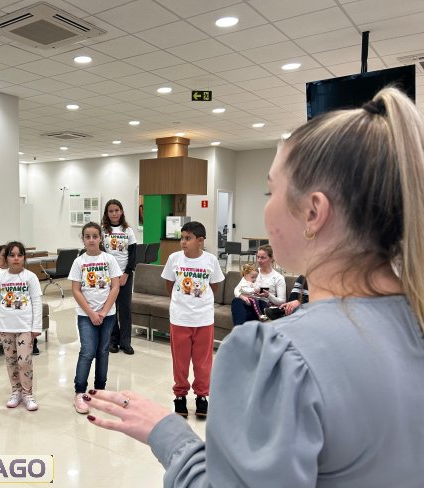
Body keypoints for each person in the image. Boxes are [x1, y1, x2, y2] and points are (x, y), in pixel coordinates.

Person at [84, 87, 424, 486]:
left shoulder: (278, 357)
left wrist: (168, 434)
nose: (266, 207)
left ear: (313, 212)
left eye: (270, 191)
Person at [161, 221, 224, 418]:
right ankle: (180, 396)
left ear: (200, 240)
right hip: (180, 318)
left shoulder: (211, 260)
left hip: (203, 319)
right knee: (180, 362)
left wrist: (199, 302)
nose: (183, 242)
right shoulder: (174, 258)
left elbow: (214, 287)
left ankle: (201, 396)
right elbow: (169, 284)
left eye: (188, 238)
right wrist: (181, 302)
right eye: (182, 238)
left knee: (203, 362)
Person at [69, 222, 121, 414]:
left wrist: (104, 312)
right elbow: (76, 290)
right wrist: (91, 313)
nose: (91, 240)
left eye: (95, 236)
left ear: (101, 238)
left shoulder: (109, 259)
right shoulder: (79, 262)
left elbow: (115, 286)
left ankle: (100, 390)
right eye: (87, 236)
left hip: (108, 315)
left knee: (103, 351)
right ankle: (79, 392)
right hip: (86, 315)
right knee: (87, 351)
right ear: (83, 239)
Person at [0, 241, 42, 411]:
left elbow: (37, 302)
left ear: (24, 257)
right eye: (12, 255)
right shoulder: (0, 278)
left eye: (19, 255)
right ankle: (16, 392)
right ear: (6, 258)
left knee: (24, 361)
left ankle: (27, 393)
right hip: (5, 328)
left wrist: (36, 327)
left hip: (25, 327)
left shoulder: (30, 277)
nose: (16, 258)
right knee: (11, 361)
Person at [101, 199, 137, 355]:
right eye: (111, 211)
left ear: (121, 212)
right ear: (107, 213)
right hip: (108, 276)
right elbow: (101, 254)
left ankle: (125, 342)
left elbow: (133, 254)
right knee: (111, 309)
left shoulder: (128, 230)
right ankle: (113, 340)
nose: (114, 213)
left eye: (116, 210)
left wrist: (127, 273)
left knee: (125, 309)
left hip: (125, 275)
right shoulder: (103, 231)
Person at [230, 243, 286, 325]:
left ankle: (239, 330)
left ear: (272, 258)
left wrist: (268, 295)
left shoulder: (278, 278)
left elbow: (282, 301)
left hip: (263, 307)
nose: (259, 260)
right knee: (236, 301)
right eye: (258, 257)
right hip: (249, 304)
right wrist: (241, 296)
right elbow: (237, 289)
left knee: (242, 315)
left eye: (263, 258)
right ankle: (240, 330)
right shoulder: (253, 272)